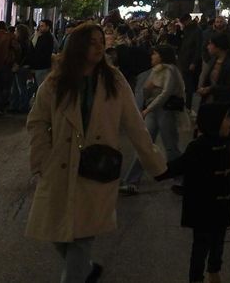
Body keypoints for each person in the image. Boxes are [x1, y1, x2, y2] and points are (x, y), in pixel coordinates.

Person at [27, 22, 167, 283]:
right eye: (92, 42)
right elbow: (37, 120)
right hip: (60, 166)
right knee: (58, 233)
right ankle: (87, 269)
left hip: (96, 169)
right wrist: (42, 158)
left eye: (101, 41)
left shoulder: (113, 80)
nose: (100, 46)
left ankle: (80, 273)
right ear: (78, 46)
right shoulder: (57, 81)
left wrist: (156, 164)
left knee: (80, 239)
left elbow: (135, 125)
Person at [155, 103, 230, 283]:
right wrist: (159, 170)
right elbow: (180, 165)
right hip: (203, 209)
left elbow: (228, 169)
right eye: (226, 118)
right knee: (201, 246)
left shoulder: (224, 144)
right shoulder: (197, 148)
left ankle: (214, 271)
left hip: (222, 207)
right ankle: (196, 278)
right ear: (214, 122)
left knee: (218, 243)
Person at [121, 43, 186, 193]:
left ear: (162, 56)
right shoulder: (155, 71)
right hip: (153, 111)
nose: (152, 56)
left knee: (170, 146)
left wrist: (147, 109)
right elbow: (147, 92)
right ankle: (131, 180)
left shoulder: (170, 70)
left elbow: (165, 94)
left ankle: (180, 178)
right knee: (145, 145)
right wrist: (147, 93)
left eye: (155, 54)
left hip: (165, 111)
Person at [197, 32, 230, 144]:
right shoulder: (213, 61)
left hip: (226, 107)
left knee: (228, 141)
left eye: (210, 44)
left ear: (218, 46)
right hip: (213, 104)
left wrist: (210, 89)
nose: (208, 46)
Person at [177, 14, 205, 109]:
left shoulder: (197, 31)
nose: (183, 24)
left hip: (190, 60)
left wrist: (194, 62)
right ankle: (187, 105)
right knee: (187, 84)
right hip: (184, 60)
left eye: (184, 22)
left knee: (189, 85)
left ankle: (188, 106)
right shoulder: (186, 29)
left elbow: (198, 48)